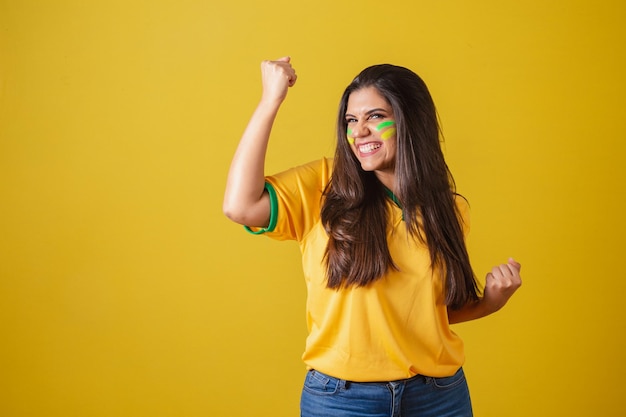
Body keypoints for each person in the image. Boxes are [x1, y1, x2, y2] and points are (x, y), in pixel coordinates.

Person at [223, 56, 522, 417]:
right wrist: (271, 99)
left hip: (439, 397)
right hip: (342, 400)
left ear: (409, 121)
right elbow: (239, 206)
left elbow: (431, 312)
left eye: (375, 117)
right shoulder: (322, 185)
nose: (359, 131)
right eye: (352, 120)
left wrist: (491, 301)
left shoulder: (449, 208)